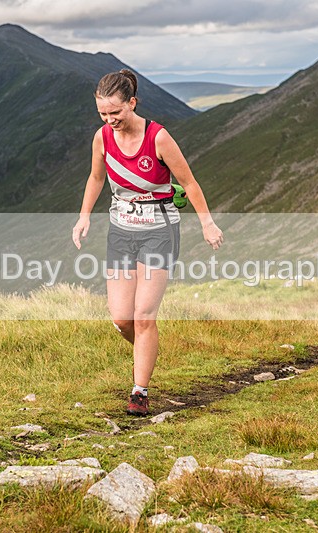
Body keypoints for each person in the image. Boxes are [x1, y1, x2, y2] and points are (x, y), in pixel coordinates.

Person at [72, 69, 223, 415]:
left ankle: (139, 392)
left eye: (116, 113)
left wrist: (207, 224)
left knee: (143, 315)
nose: (110, 120)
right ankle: (147, 346)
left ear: (132, 103)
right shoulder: (102, 138)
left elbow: (191, 183)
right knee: (122, 318)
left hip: (159, 229)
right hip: (121, 230)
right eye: (103, 114)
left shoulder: (158, 138)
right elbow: (96, 177)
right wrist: (83, 216)